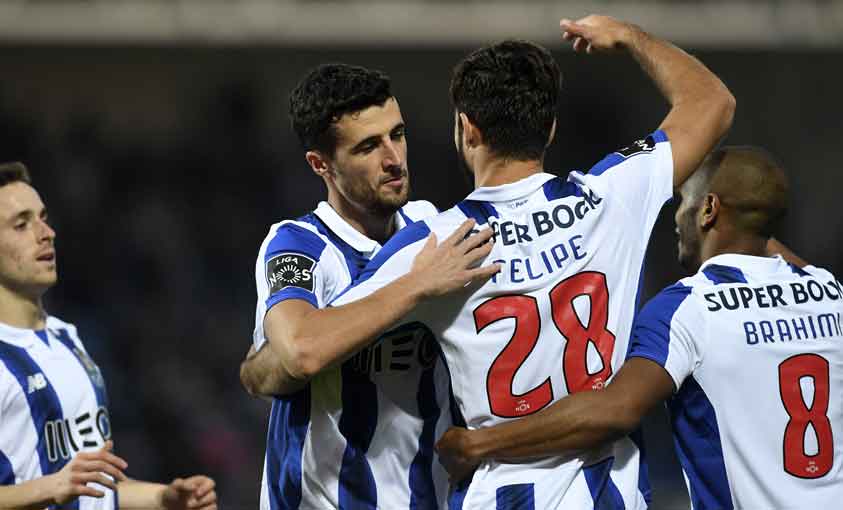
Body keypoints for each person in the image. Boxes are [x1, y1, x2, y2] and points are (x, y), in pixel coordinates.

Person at [331, 15, 734, 509]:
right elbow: (712, 102)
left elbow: (308, 346)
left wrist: (412, 288)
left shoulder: (435, 245)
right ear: (549, 129)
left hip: (501, 490)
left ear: (468, 129)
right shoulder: (612, 196)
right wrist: (629, 36)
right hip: (612, 492)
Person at [435, 146, 843, 509]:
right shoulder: (830, 292)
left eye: (682, 201)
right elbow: (767, 242)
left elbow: (615, 410)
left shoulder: (687, 307)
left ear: (708, 210)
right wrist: (755, 221)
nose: (675, 218)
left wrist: (479, 443)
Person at [238, 64, 499, 509]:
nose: (394, 158)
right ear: (321, 164)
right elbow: (300, 350)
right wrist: (416, 286)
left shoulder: (428, 225)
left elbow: (265, 370)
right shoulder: (298, 247)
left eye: (397, 135)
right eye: (368, 147)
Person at [0, 162, 218, 510]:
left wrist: (164, 499)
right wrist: (48, 487)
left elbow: (95, 483)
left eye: (43, 218)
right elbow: (60, 483)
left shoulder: (67, 339)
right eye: (21, 224)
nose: (45, 233)